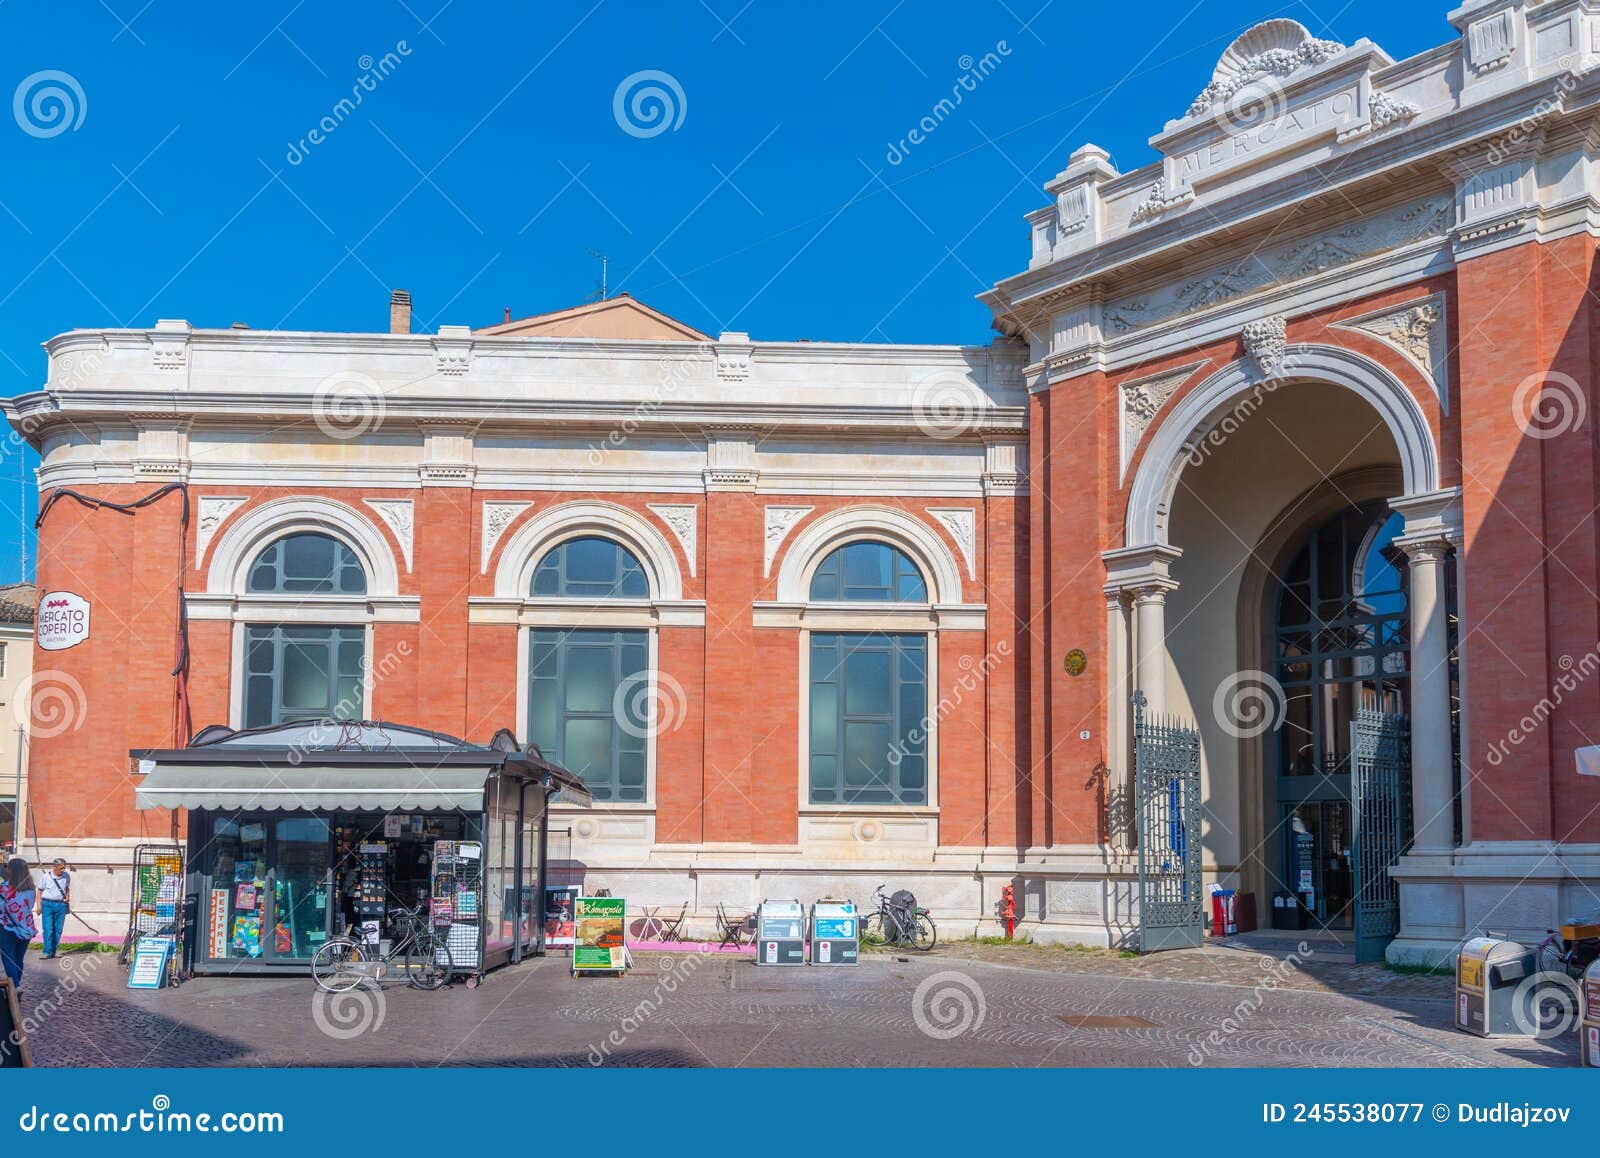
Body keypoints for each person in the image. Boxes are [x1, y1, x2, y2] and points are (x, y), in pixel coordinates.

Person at [0, 857, 38, 995]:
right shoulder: (31, 889)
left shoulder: (3, 888)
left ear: (11, 870)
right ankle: (16, 985)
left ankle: (15, 986)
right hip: (26, 928)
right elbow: (28, 907)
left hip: (7, 927)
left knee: (8, 958)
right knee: (18, 959)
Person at [37, 858, 70, 958]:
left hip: (61, 905)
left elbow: (67, 888)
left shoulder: (66, 876)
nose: (63, 870)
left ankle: (54, 951)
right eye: (61, 868)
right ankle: (46, 951)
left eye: (64, 868)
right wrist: (38, 906)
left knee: (58, 929)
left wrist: (68, 898)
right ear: (55, 867)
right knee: (48, 929)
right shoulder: (46, 877)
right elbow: (39, 891)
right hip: (47, 904)